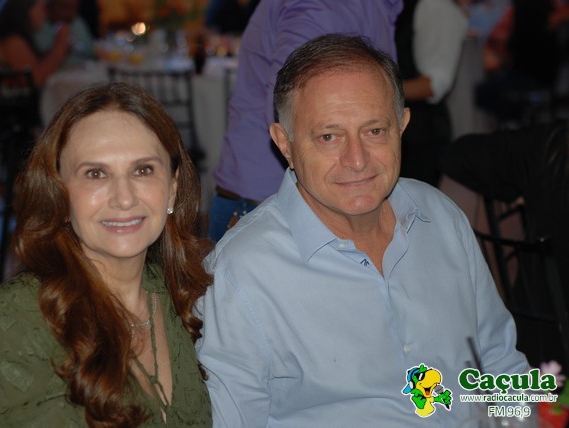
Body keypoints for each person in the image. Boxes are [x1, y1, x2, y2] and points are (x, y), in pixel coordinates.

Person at [196, 34, 529, 426]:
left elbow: (499, 361)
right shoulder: (240, 274)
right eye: (329, 136)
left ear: (401, 126)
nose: (357, 160)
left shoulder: (441, 217)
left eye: (375, 131)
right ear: (285, 144)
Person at [0, 82, 213, 426]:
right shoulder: (22, 317)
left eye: (143, 170)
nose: (124, 198)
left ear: (172, 189)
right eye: (95, 174)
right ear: (60, 195)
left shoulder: (181, 293)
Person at [207, 0, 403, 242]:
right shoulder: (325, 6)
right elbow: (291, 113)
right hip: (268, 206)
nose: (358, 160)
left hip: (269, 194)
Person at [441, 118, 569, 370]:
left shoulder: (549, 144)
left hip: (541, 343)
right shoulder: (549, 145)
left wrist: (520, 191)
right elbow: (456, 156)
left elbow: (456, 155)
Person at [0, 0, 71, 132]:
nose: (45, 14)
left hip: (4, 115)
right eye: (42, 8)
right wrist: (60, 45)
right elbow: (36, 79)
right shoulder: (12, 40)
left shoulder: (8, 35)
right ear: (26, 10)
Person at [395, 0, 468, 187]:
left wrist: (376, 90)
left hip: (420, 133)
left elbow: (432, 86)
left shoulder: (436, 7)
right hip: (407, 129)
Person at [34, 0, 96, 67]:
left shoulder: (77, 22)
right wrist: (61, 45)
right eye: (64, 7)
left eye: (75, 8)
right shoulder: (38, 24)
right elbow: (40, 60)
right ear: (50, 6)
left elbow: (91, 51)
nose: (71, 14)